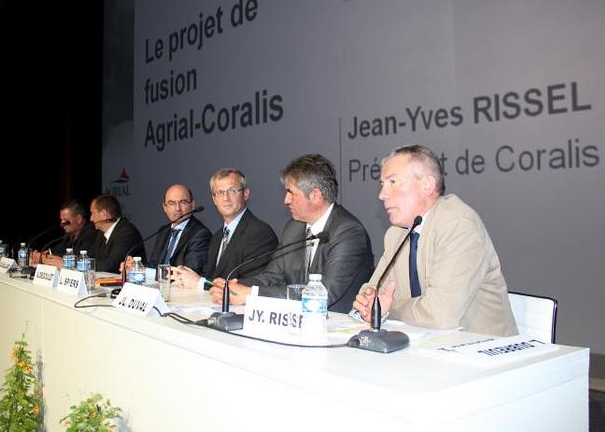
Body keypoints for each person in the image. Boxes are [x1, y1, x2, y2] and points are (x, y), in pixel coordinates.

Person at [352, 144, 518, 336]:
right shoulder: (396, 234)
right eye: (382, 184)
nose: (382, 195)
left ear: (427, 185)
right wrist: (367, 302)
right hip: (426, 347)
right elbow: (375, 290)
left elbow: (441, 315)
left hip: (483, 351)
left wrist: (386, 309)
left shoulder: (458, 225)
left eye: (393, 182)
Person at [210, 154, 374, 312]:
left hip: (338, 328)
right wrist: (233, 287)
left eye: (291, 193)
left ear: (315, 195)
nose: (286, 200)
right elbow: (272, 276)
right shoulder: (293, 228)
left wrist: (251, 294)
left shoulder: (348, 232)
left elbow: (324, 294)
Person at [170, 168, 278, 290]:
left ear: (246, 194)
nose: (226, 198)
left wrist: (200, 283)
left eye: (232, 191)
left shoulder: (260, 233)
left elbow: (251, 286)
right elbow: (210, 277)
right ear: (214, 199)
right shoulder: (217, 237)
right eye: (220, 192)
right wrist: (187, 277)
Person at [141, 184, 211, 273]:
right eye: (172, 203)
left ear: (192, 205)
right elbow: (153, 265)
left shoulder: (201, 234)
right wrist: (138, 269)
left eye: (183, 202)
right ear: (165, 208)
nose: (178, 208)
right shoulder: (164, 231)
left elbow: (189, 273)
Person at [30, 200, 99, 267]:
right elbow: (59, 251)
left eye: (65, 220)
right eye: (61, 220)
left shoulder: (90, 233)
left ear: (79, 219)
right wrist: (41, 255)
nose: (62, 224)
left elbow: (77, 258)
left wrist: (45, 257)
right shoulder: (69, 235)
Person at [88, 194, 146, 273]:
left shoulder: (127, 233)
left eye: (93, 213)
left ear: (104, 214)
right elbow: (90, 256)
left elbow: (110, 266)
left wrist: (83, 264)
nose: (91, 219)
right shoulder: (102, 232)